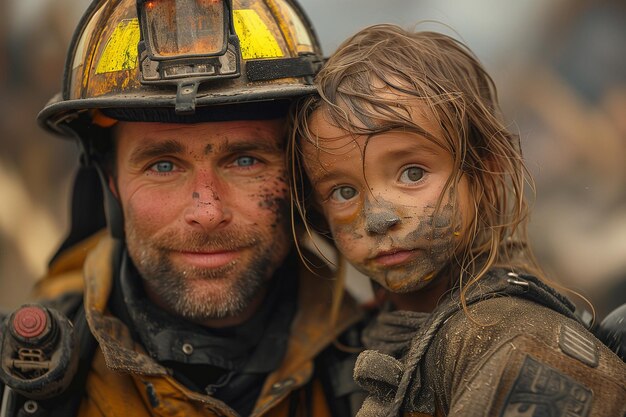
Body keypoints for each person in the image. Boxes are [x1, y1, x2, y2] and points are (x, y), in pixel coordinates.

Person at [0, 0, 365, 416]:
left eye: (245, 160)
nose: (207, 212)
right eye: (163, 165)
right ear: (111, 184)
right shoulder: (22, 384)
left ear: (300, 177)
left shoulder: (384, 373)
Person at [290, 24, 626, 417]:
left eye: (412, 173)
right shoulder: (354, 338)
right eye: (344, 192)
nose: (378, 218)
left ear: (484, 173)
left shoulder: (517, 343)